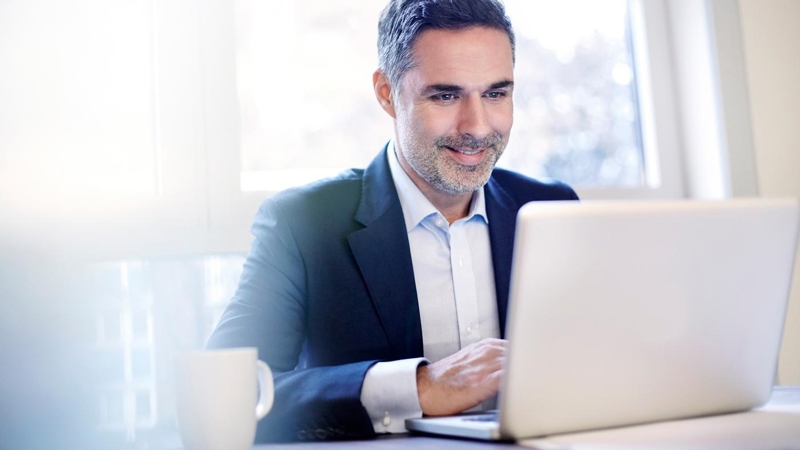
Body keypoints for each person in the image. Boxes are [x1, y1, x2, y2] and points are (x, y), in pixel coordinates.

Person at [206, 0, 578, 442]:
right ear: (386, 93)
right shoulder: (303, 224)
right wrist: (417, 388)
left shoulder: (551, 208)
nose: (477, 126)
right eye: (445, 95)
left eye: (496, 93)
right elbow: (226, 393)